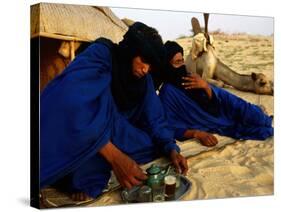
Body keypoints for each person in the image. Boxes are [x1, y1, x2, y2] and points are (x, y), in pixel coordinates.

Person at [40, 23, 188, 201]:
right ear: (130, 51)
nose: (146, 69)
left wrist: (171, 148)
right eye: (144, 61)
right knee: (79, 165)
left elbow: (155, 117)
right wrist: (115, 157)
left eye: (151, 66)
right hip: (84, 128)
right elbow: (69, 101)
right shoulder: (101, 55)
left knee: (152, 144)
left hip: (117, 132)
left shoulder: (144, 79)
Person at [152, 41, 273, 147]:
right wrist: (197, 134)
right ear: (168, 66)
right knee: (262, 130)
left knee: (258, 118)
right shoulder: (167, 94)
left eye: (182, 60)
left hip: (223, 107)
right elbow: (170, 127)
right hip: (214, 121)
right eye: (177, 62)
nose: (183, 65)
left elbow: (216, 101)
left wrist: (205, 86)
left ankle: (260, 113)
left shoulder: (189, 78)